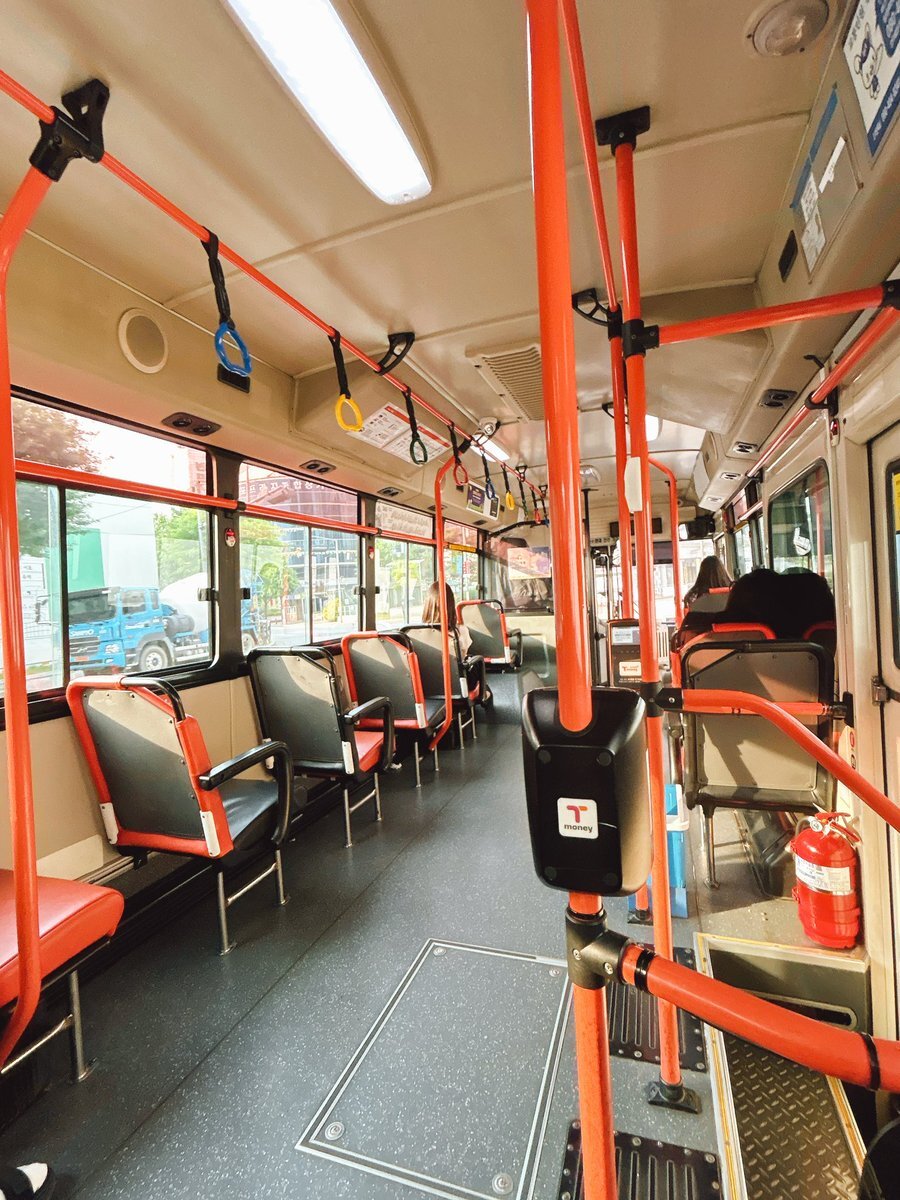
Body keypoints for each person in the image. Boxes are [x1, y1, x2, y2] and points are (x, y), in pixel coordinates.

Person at [672, 556, 732, 651]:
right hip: (733, 648)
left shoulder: (693, 598)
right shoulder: (734, 596)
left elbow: (686, 635)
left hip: (701, 651)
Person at [422, 581, 472, 656]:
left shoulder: (417, 633)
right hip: (451, 664)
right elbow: (463, 655)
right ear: (451, 605)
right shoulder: (459, 632)